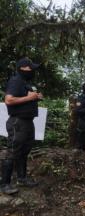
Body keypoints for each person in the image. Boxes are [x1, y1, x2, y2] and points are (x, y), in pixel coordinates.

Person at [2, 57, 42, 194]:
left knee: (24, 151)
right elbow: (8, 100)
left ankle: (22, 178)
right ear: (23, 68)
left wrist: (36, 96)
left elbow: (26, 97)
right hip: (17, 122)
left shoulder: (25, 82)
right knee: (13, 152)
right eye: (31, 68)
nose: (33, 71)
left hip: (27, 122)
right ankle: (4, 184)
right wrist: (29, 98)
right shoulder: (16, 80)